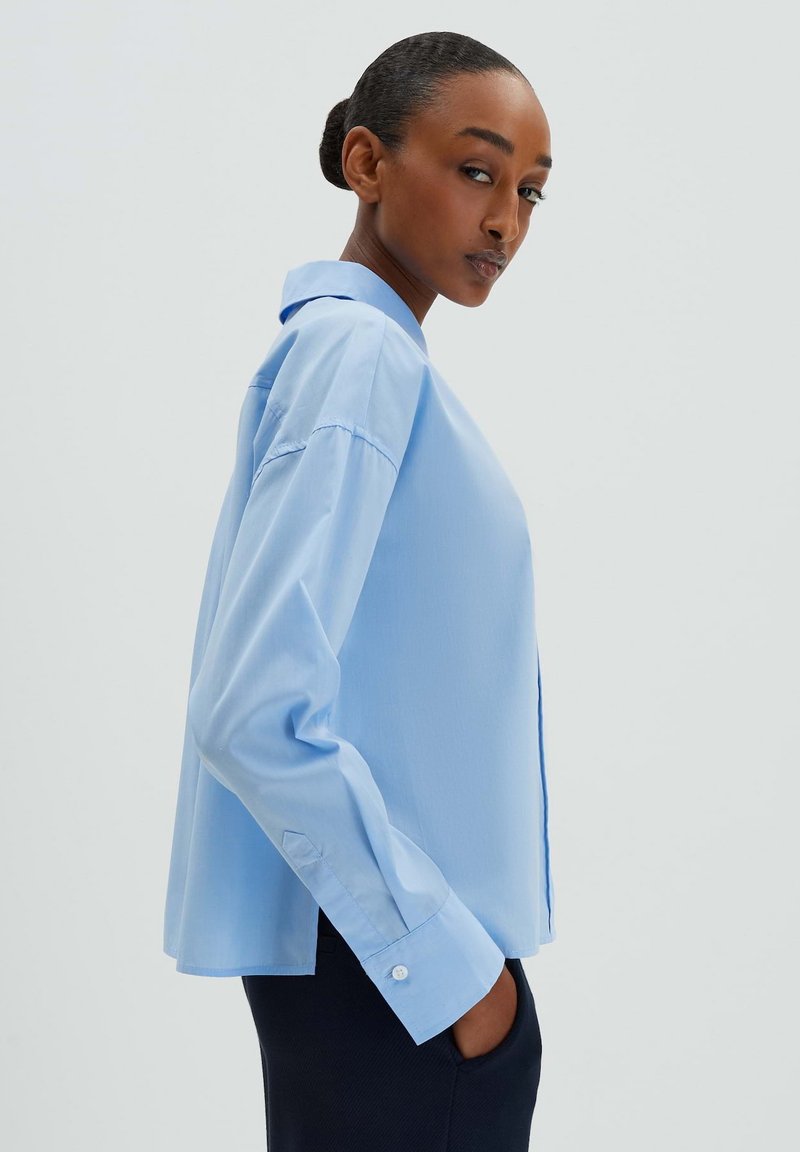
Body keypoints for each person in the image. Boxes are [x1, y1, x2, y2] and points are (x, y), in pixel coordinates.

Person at [163, 29, 555, 1151]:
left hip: (385, 972)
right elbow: (252, 710)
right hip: (397, 983)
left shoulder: (364, 357)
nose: (505, 221)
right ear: (366, 162)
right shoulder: (359, 357)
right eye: (476, 170)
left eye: (530, 192)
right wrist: (451, 972)